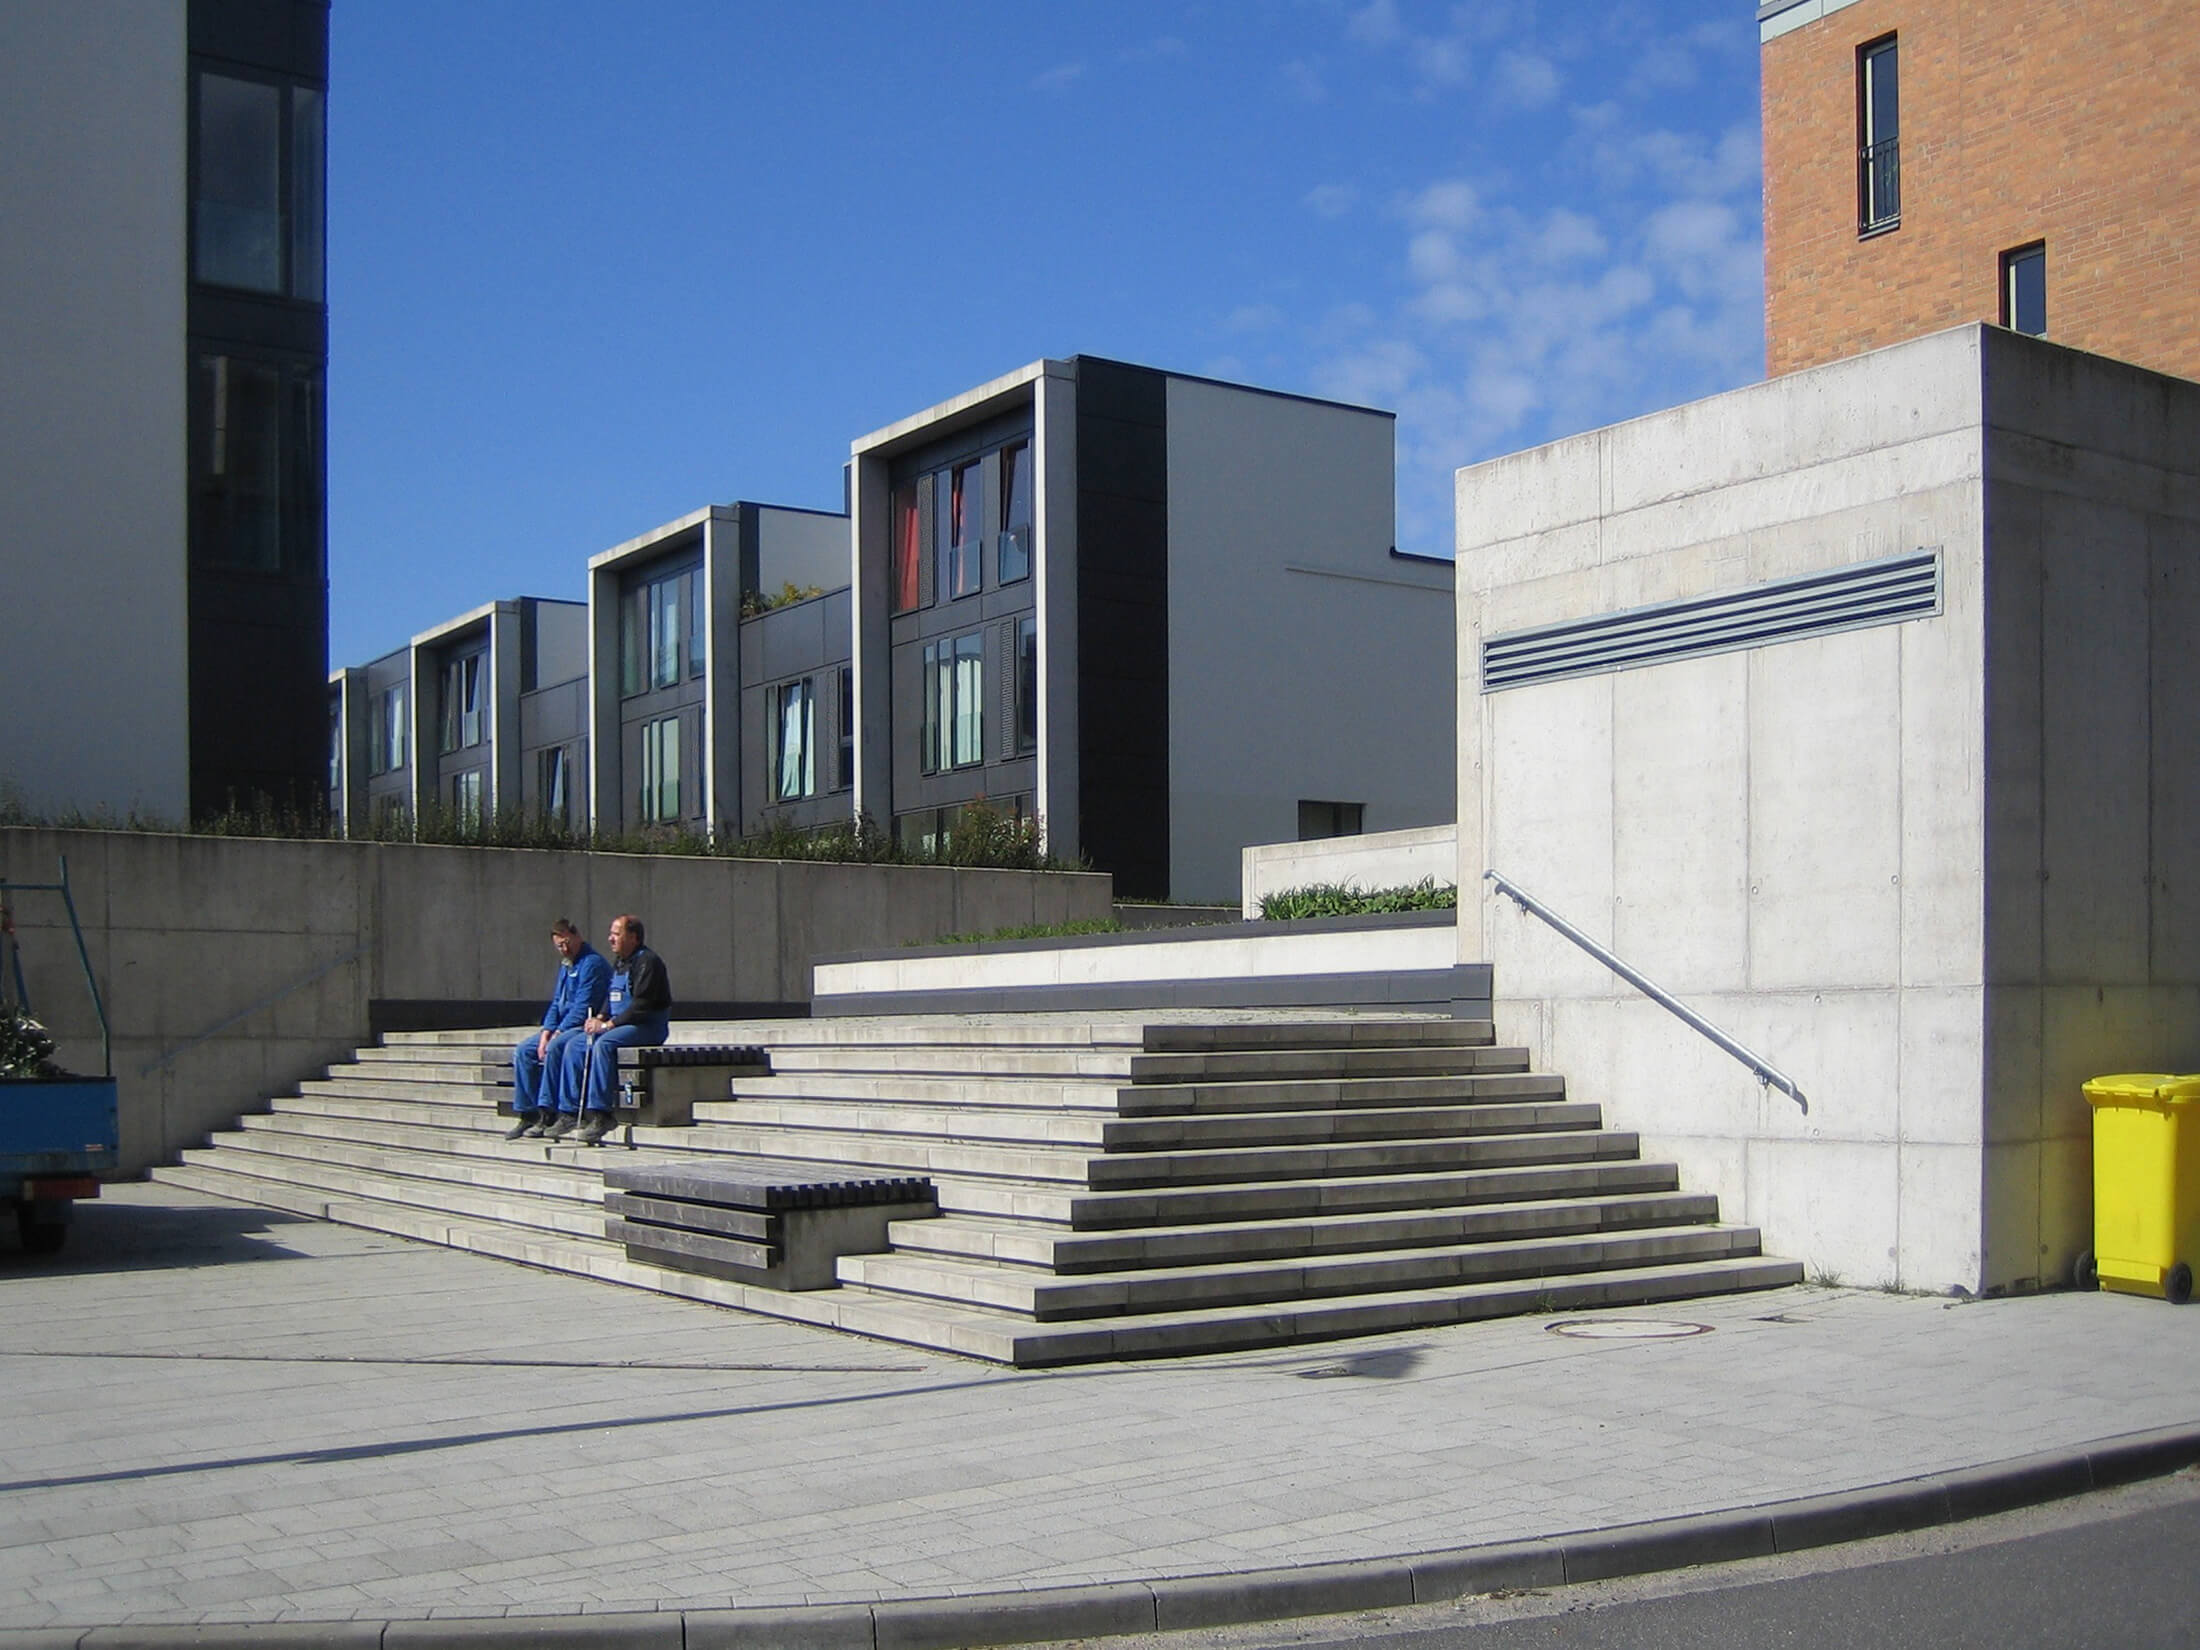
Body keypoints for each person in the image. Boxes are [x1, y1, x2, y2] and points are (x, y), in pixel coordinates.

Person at [546, 912, 672, 1146]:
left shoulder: (648, 962)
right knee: (575, 1044)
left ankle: (602, 1114)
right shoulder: (620, 962)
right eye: (611, 934)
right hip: (619, 1023)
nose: (610, 939)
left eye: (616, 933)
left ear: (633, 937)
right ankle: (570, 1113)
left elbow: (641, 1006)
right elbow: (610, 996)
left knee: (603, 1044)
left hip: (646, 1026)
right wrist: (601, 1016)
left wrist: (607, 1025)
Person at [509, 919, 609, 1140]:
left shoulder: (591, 964)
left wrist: (558, 1032)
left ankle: (550, 1112)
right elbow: (557, 1002)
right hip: (561, 1026)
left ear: (576, 936)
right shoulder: (566, 965)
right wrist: (546, 1030)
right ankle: (528, 1112)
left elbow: (583, 1007)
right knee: (524, 1050)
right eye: (559, 946)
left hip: (580, 1026)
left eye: (567, 943)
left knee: (557, 1047)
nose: (564, 949)